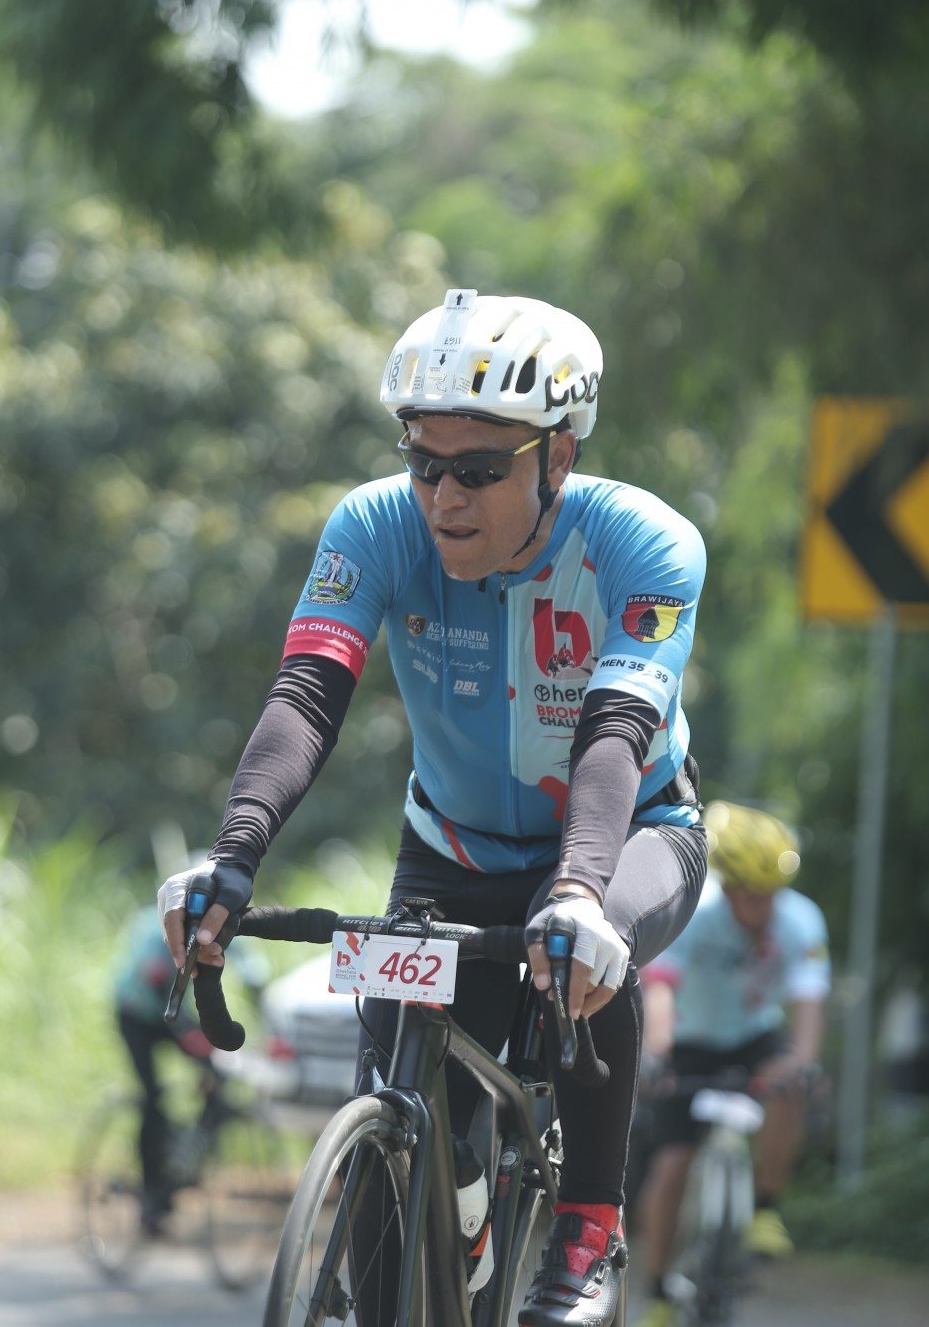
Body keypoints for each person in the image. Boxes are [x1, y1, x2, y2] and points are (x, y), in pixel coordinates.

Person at [158, 288, 708, 1327]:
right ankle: (440, 1212)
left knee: (586, 949)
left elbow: (614, 732)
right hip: (449, 851)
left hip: (628, 833)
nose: (443, 496)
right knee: (397, 1139)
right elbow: (306, 696)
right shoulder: (373, 525)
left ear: (558, 456)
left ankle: (588, 1227)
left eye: (480, 469)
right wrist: (233, 859)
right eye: (423, 462)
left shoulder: (645, 544)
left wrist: (578, 890)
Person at [633, 801, 831, 1327]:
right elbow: (660, 989)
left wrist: (804, 1062)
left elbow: (809, 1002)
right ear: (730, 886)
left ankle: (766, 1208)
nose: (765, 905)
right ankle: (658, 1290)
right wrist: (657, 1055)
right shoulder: (694, 914)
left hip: (753, 1037)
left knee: (791, 1084)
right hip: (688, 1041)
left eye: (773, 893)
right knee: (672, 1165)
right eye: (752, 894)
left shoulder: (800, 920)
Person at [113, 895, 266, 1232]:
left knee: (216, 1070)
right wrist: (186, 1033)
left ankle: (188, 1153)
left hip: (171, 1007)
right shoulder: (161, 925)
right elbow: (154, 980)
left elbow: (254, 978)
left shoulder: (228, 922)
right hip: (137, 1012)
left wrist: (270, 1030)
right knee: (152, 1097)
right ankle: (151, 1189)